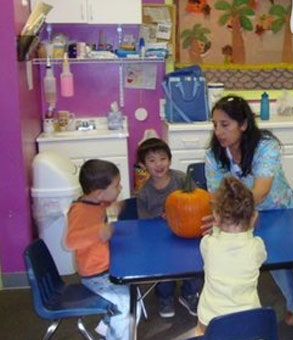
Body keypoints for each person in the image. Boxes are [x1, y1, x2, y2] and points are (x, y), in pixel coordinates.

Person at [203, 95, 293, 325]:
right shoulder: (213, 155)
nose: (218, 131)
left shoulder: (266, 146)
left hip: (279, 208)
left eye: (225, 125)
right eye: (215, 125)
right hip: (238, 215)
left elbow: (261, 191)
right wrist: (223, 217)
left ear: (244, 124)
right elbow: (216, 195)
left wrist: (235, 212)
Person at [136, 138, 201, 318]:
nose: (159, 164)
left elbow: (197, 200)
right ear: (143, 165)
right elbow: (144, 222)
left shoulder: (181, 178)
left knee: (196, 262)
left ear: (170, 160)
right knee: (164, 269)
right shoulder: (144, 192)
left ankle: (190, 294)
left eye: (163, 158)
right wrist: (161, 217)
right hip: (160, 239)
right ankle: (165, 296)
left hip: (186, 233)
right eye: (152, 160)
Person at [65, 159, 130, 340]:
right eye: (117, 185)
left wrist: (116, 207)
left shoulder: (98, 202)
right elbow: (70, 241)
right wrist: (98, 232)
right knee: (125, 307)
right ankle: (114, 332)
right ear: (100, 193)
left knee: (133, 301)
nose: (120, 188)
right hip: (95, 275)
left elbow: (109, 208)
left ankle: (107, 328)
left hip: (108, 268)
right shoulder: (79, 211)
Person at [195, 176, 267, 335]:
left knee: (198, 331)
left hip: (211, 322)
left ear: (217, 217)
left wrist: (215, 228)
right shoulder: (256, 246)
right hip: (249, 321)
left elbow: (211, 239)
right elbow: (261, 258)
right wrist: (250, 230)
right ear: (253, 217)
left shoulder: (208, 244)